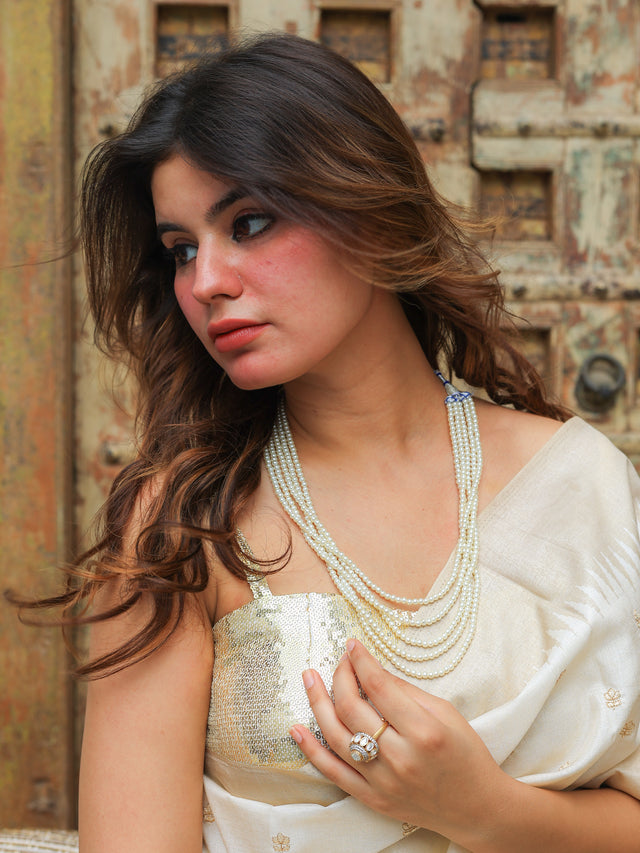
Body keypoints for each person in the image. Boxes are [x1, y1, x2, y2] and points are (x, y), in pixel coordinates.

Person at [26, 32, 640, 852]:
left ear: (370, 211)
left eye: (248, 223)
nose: (206, 282)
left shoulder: (579, 484)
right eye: (181, 250)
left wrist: (483, 808)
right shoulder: (185, 526)